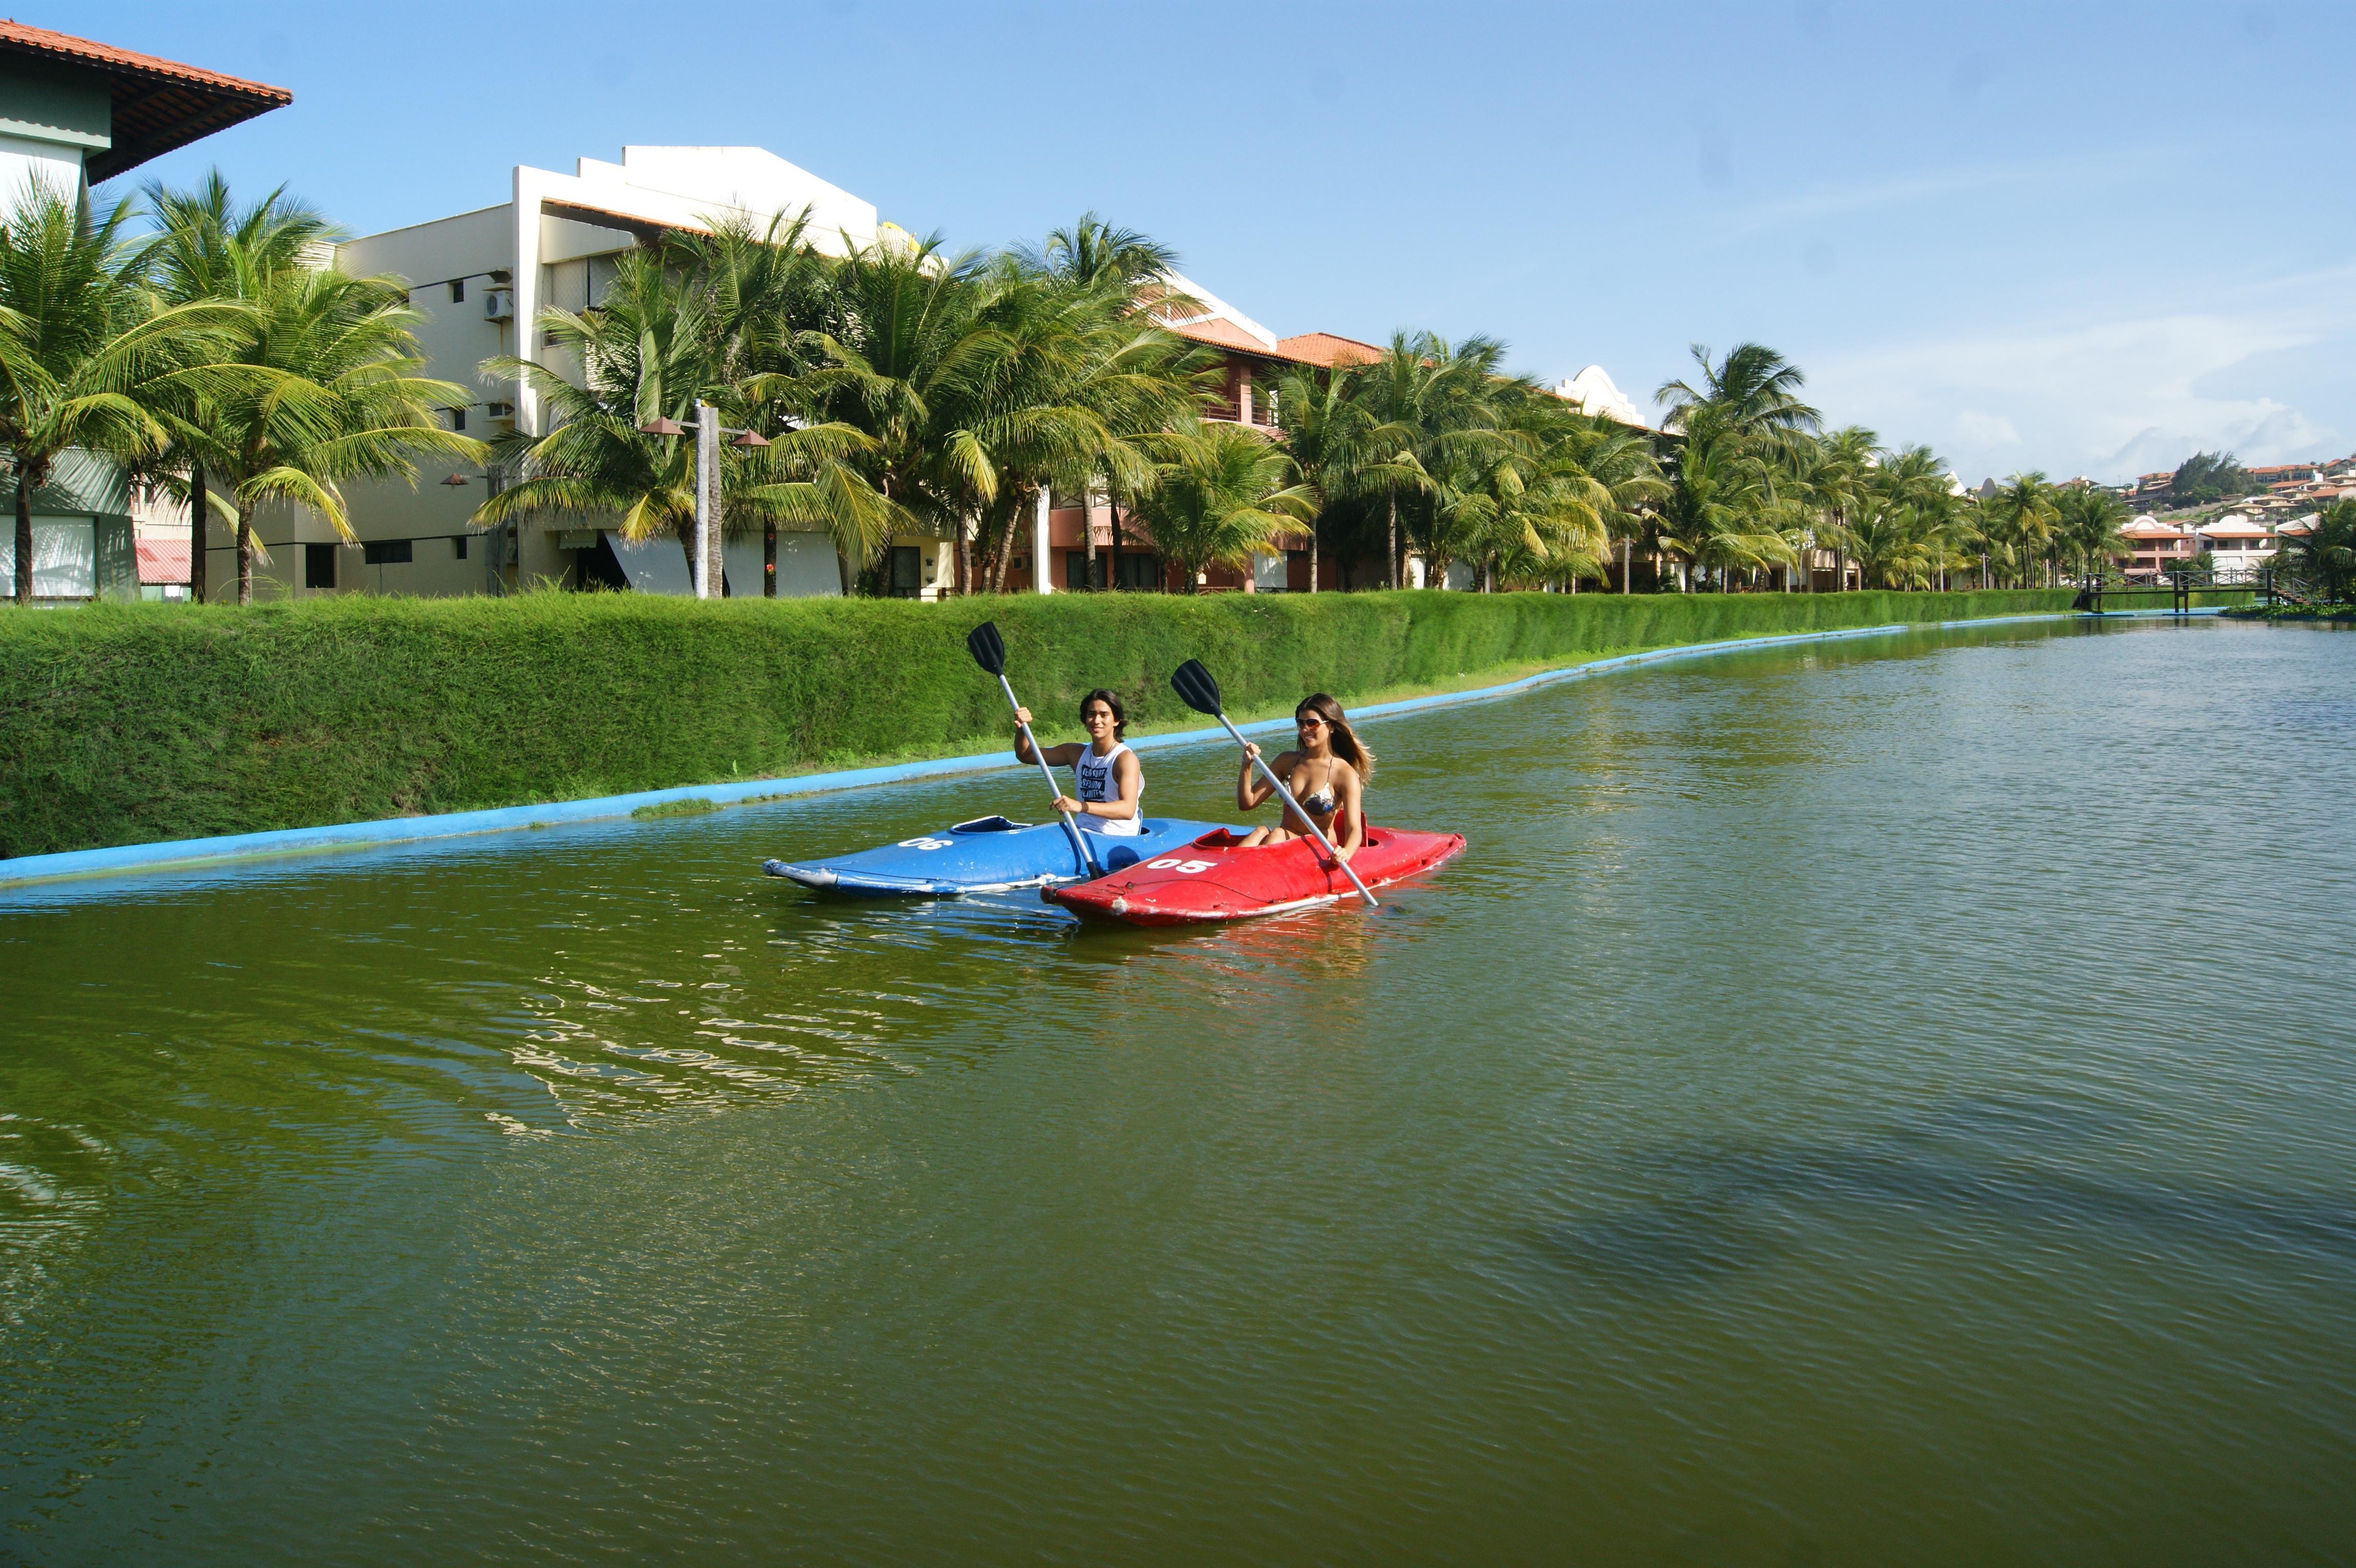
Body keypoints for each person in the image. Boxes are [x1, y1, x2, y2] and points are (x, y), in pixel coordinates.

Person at [1236, 693, 1373, 861]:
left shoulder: (1345, 774)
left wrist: (1346, 852)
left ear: (1331, 726)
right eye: (1300, 723)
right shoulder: (1286, 761)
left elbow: (1354, 830)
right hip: (1285, 842)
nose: (1304, 729)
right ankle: (1227, 872)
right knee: (1261, 832)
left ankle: (1255, 870)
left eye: (1312, 723)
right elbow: (1247, 803)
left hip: (1320, 850)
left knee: (1277, 834)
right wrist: (1246, 765)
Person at [1013, 689, 1144, 835]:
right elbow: (1026, 755)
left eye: (1104, 715)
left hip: (1117, 837)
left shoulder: (1125, 759)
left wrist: (1079, 806)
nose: (1096, 721)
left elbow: (1128, 810)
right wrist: (1022, 729)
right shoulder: (1075, 753)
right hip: (1082, 831)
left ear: (1116, 720)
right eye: (1091, 714)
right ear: (1085, 719)